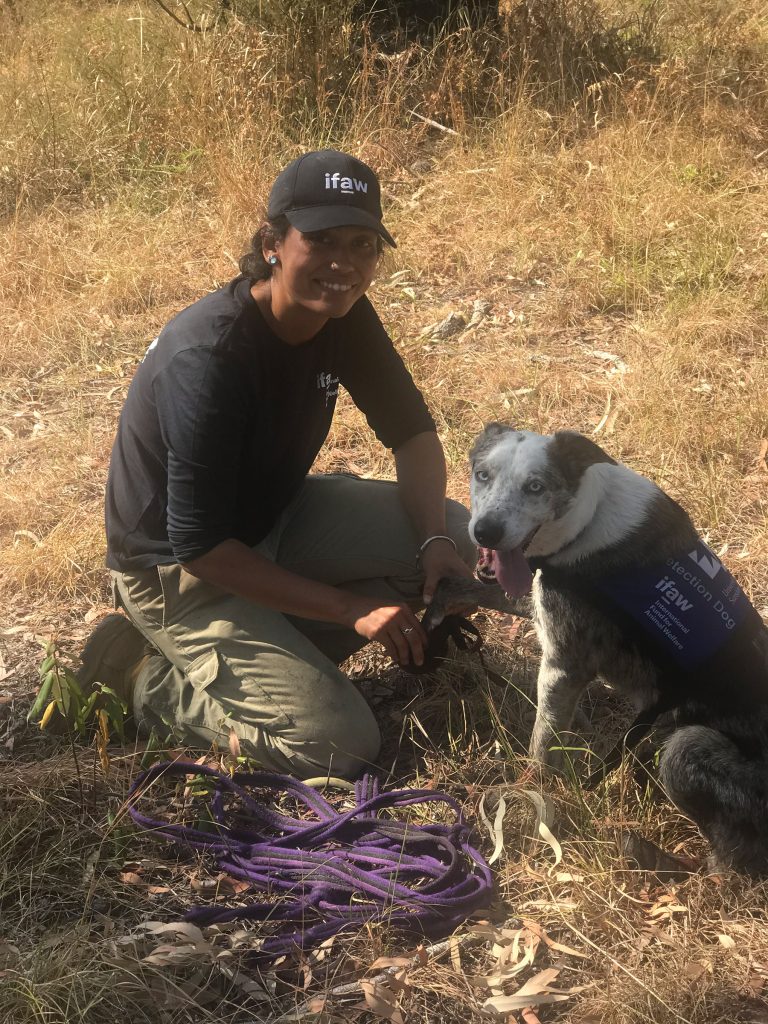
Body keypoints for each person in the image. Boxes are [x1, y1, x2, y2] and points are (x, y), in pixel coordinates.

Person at [82, 149, 475, 779]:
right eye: (319, 241)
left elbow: (412, 431)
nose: (343, 265)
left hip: (276, 517)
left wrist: (431, 543)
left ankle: (273, 645)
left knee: (457, 536)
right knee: (339, 744)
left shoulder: (339, 311)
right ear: (273, 243)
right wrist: (351, 609)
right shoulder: (210, 358)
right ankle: (143, 675)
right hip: (178, 570)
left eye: (363, 244)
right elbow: (200, 547)